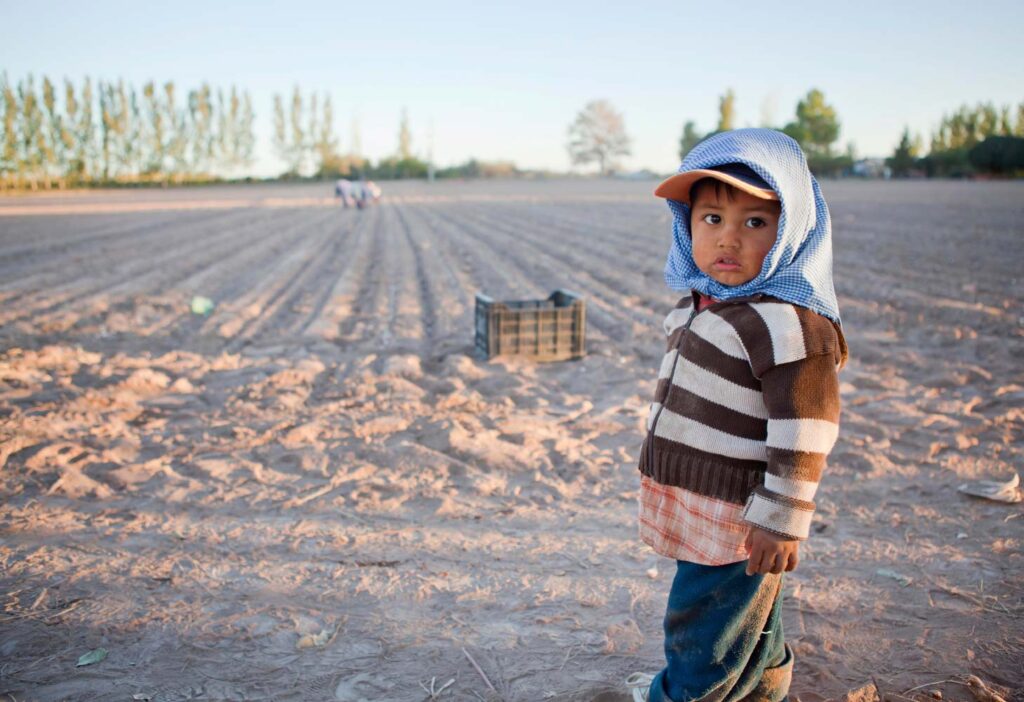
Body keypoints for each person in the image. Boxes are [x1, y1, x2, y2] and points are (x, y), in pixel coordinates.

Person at [627, 128, 848, 702]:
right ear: (686, 224)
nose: (729, 239)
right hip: (700, 500)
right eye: (711, 219)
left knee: (701, 629)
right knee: (745, 616)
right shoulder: (700, 303)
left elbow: (808, 427)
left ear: (793, 227)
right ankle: (763, 687)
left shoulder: (789, 323)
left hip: (741, 513)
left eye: (755, 222)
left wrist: (781, 517)